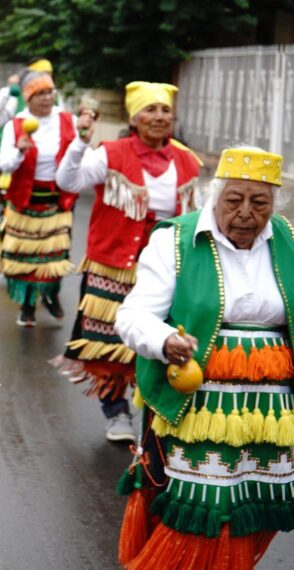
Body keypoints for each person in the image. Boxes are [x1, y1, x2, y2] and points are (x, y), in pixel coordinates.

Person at [114, 146, 293, 569]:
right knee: (200, 508)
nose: (246, 212)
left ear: (274, 204)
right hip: (197, 408)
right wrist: (164, 341)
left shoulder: (287, 239)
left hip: (270, 412)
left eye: (260, 202)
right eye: (234, 200)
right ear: (215, 197)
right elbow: (134, 315)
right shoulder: (175, 239)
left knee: (254, 506)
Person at [53, 82, 201, 442]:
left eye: (165, 110)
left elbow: (197, 214)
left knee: (165, 339)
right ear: (134, 117)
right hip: (114, 265)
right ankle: (116, 411)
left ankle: (155, 413)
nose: (158, 117)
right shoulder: (110, 153)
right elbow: (67, 180)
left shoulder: (187, 160)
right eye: (149, 109)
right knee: (112, 346)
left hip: (169, 266)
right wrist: (80, 141)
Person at [0, 71, 77, 326]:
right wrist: (19, 151)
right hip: (25, 200)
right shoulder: (15, 125)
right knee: (26, 258)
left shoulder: (67, 120)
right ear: (28, 97)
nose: (46, 98)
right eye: (39, 93)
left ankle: (51, 295)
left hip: (58, 200)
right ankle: (28, 305)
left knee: (55, 254)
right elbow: (4, 165)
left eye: (49, 92)